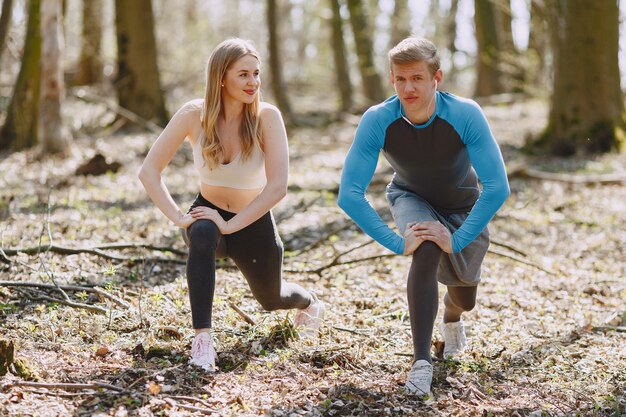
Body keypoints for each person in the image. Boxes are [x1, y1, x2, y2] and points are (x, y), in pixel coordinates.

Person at [139, 38, 325, 372]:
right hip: (207, 213)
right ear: (221, 77)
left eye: (256, 74)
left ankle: (310, 302)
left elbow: (278, 187)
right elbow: (149, 172)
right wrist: (180, 217)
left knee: (272, 299)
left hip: (253, 221)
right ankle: (203, 342)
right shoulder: (193, 114)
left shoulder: (267, 117)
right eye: (243, 75)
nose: (253, 82)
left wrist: (230, 223)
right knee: (202, 230)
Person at [337, 37, 509, 396]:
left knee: (465, 297)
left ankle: (452, 318)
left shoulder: (464, 114)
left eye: (417, 78)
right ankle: (421, 363)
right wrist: (397, 242)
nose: (408, 87)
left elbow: (497, 187)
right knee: (426, 247)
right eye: (400, 79)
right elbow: (349, 194)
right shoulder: (378, 120)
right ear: (392, 80)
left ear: (437, 78)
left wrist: (458, 240)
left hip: (462, 206)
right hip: (411, 197)